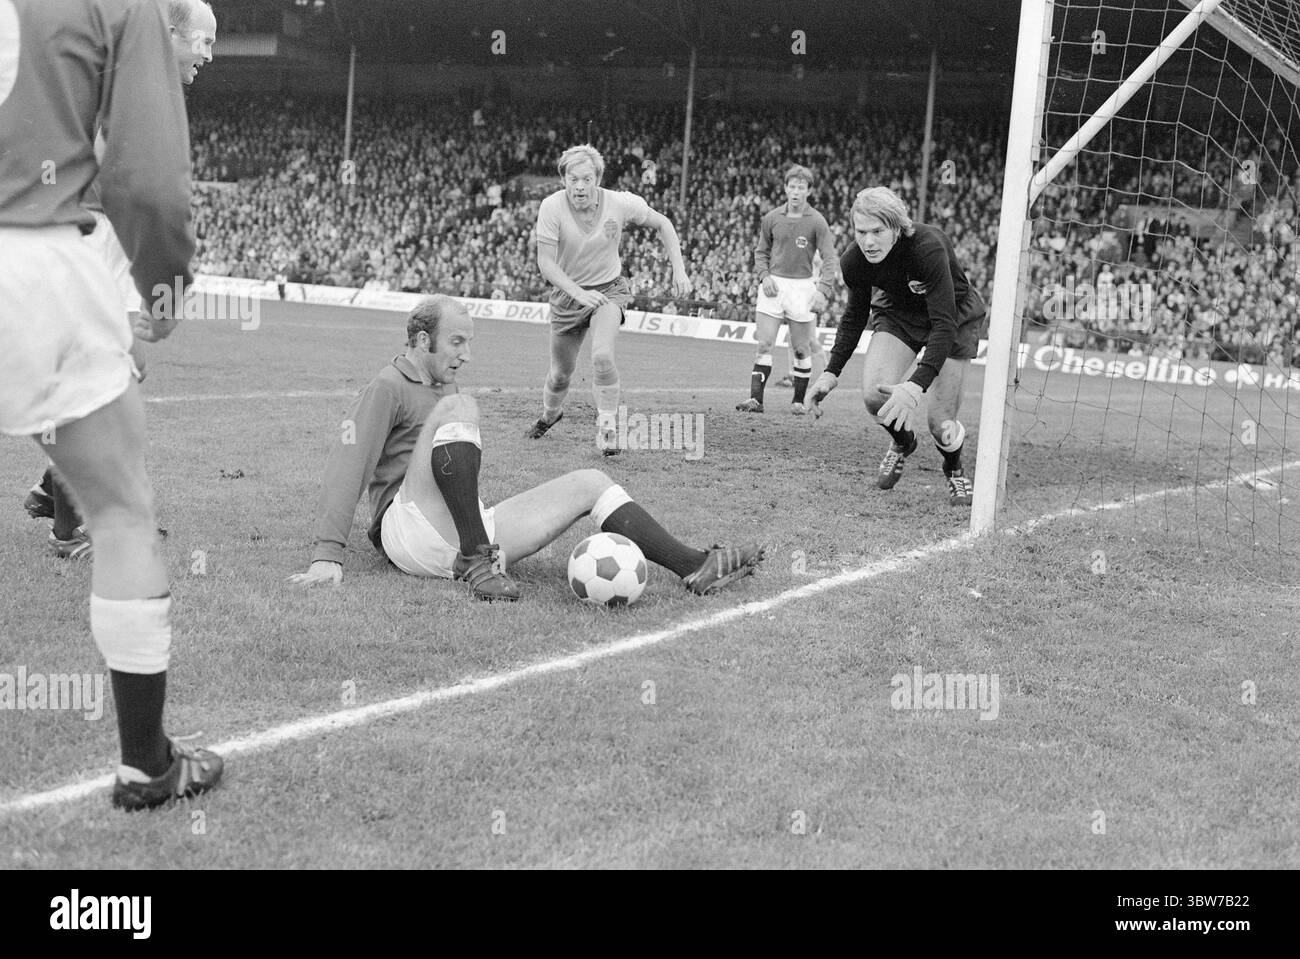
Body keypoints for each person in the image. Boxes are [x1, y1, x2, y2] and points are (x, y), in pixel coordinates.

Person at [0, 0, 223, 810]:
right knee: (124, 514)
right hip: (34, 260)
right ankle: (145, 764)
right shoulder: (123, 7)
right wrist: (162, 291)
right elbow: (150, 184)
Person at [290, 296, 764, 599]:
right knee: (459, 410)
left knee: (591, 482)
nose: (466, 354)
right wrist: (327, 555)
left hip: (454, 533)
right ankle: (479, 560)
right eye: (456, 342)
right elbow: (347, 464)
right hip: (404, 530)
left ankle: (695, 566)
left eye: (469, 343)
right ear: (420, 339)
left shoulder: (444, 389)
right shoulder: (388, 385)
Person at [22, 0, 218, 559]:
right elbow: (153, 193)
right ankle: (71, 527)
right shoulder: (135, 86)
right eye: (203, 40)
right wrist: (167, 285)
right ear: (170, 35)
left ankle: (58, 496)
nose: (210, 53)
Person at [810, 187, 985, 506]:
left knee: (941, 424)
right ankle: (903, 444)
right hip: (899, 313)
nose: (868, 242)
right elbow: (854, 315)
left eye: (877, 231)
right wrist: (831, 371)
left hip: (953, 316)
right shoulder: (854, 261)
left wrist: (915, 386)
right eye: (861, 232)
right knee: (874, 397)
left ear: (896, 227)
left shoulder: (927, 247)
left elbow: (944, 324)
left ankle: (954, 468)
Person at [525, 144, 692, 453]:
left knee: (602, 356)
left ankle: (607, 429)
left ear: (598, 178)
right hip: (568, 295)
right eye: (573, 179)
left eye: (586, 179)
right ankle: (551, 414)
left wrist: (678, 270)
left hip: (608, 291)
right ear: (564, 179)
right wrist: (577, 293)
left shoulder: (619, 202)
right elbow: (546, 263)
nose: (579, 186)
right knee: (560, 375)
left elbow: (663, 224)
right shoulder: (551, 207)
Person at [736, 165, 838, 415]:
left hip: (802, 289)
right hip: (773, 286)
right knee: (764, 343)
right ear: (785, 188)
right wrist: (764, 276)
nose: (795, 192)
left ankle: (798, 402)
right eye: (791, 186)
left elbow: (830, 258)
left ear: (809, 191)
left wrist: (822, 290)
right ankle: (756, 400)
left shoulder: (817, 221)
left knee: (802, 348)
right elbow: (760, 252)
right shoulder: (771, 218)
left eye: (801, 187)